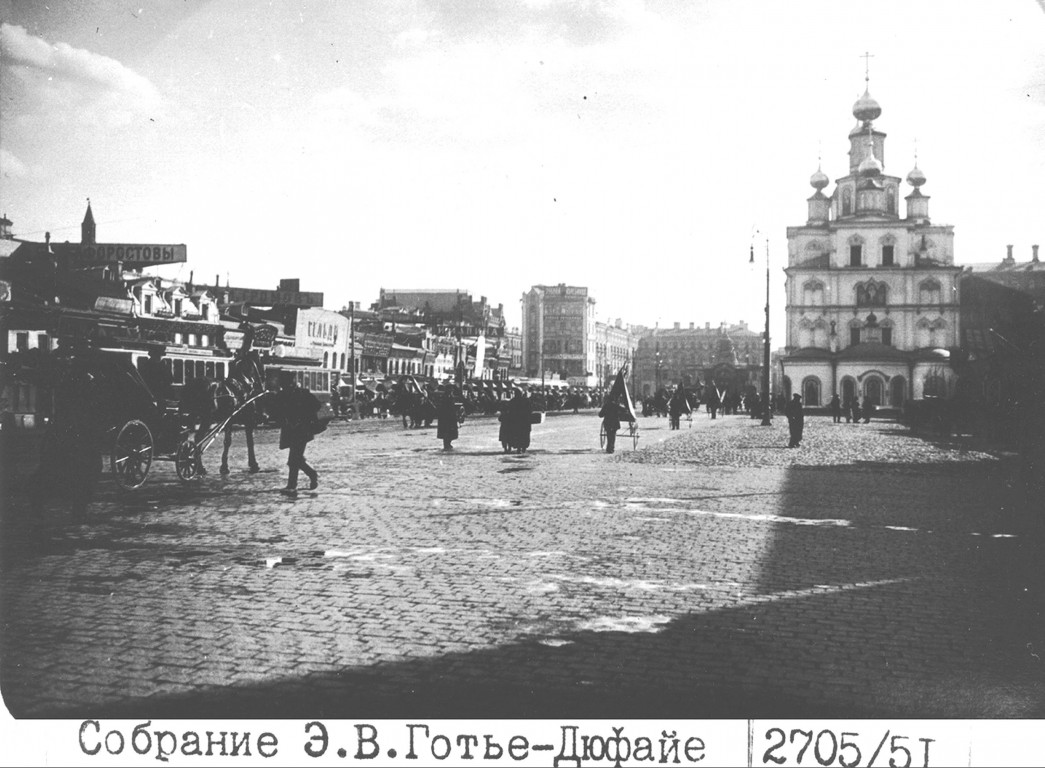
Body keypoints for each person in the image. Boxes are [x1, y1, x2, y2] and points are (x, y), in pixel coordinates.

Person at [270, 372, 320, 494]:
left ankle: (295, 484)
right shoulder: (294, 394)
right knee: (296, 458)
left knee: (294, 459)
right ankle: (308, 476)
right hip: (296, 430)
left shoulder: (296, 394)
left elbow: (316, 406)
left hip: (300, 430)